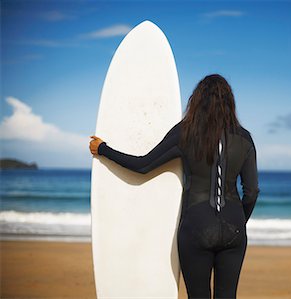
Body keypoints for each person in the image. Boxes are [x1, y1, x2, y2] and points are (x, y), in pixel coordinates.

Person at [89, 73, 259, 299]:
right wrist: (239, 220)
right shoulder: (245, 138)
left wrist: (103, 149)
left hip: (196, 226)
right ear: (230, 102)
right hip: (234, 229)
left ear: (197, 100)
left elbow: (143, 165)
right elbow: (251, 192)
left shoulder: (185, 132)